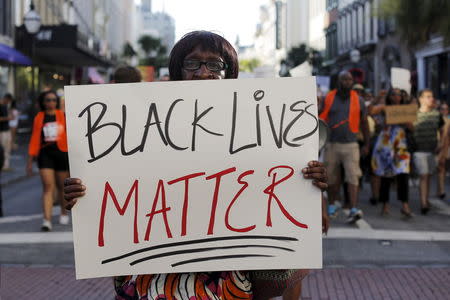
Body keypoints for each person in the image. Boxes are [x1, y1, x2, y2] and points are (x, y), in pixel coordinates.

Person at [64, 31, 329, 300]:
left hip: (225, 285)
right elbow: (117, 192)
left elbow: (273, 188)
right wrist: (84, 194)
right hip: (152, 284)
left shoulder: (256, 131)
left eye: (215, 65)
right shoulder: (141, 127)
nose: (203, 73)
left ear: (229, 73)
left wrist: (305, 181)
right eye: (192, 63)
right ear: (178, 70)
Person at [320, 71, 370, 223]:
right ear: (339, 81)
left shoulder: (359, 99)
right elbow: (320, 117)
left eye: (349, 79)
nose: (347, 82)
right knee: (332, 178)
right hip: (332, 144)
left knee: (353, 177)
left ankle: (353, 208)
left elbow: (364, 122)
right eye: (344, 79)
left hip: (351, 144)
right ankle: (332, 205)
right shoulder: (328, 97)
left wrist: (367, 143)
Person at [27, 90, 70, 231]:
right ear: (43, 102)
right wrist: (30, 158)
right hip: (45, 154)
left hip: (61, 153)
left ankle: (63, 211)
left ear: (56, 102)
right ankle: (47, 220)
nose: (51, 102)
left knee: (62, 186)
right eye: (48, 100)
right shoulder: (39, 117)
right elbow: (34, 138)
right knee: (48, 186)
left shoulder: (62, 115)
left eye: (53, 100)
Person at [371, 88, 413, 217]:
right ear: (390, 96)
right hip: (386, 143)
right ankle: (385, 205)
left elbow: (412, 127)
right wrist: (379, 99)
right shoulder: (384, 108)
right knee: (386, 174)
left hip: (400, 144)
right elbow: (371, 111)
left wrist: (404, 119)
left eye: (399, 95)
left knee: (403, 174)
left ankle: (405, 205)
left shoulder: (405, 109)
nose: (397, 97)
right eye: (394, 94)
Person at [412, 89, 444, 214]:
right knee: (423, 175)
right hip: (418, 150)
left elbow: (442, 130)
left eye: (432, 96)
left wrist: (441, 143)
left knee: (428, 175)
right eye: (428, 96)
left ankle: (426, 199)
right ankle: (423, 203)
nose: (431, 99)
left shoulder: (437, 114)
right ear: (421, 99)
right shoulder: (414, 114)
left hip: (432, 150)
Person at [437, 102, 450, 199]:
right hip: (437, 145)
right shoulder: (436, 119)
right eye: (442, 108)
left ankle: (440, 189)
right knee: (439, 167)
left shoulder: (448, 120)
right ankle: (440, 189)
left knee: (442, 167)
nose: (444, 111)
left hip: (446, 146)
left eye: (446, 109)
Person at [0, 93, 13, 171]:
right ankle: (3, 165)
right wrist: (8, 118)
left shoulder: (5, 106)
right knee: (3, 149)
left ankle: (5, 165)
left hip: (6, 130)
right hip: (1, 131)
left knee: (7, 149)